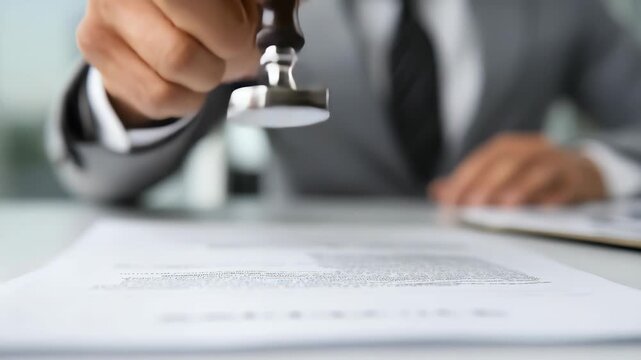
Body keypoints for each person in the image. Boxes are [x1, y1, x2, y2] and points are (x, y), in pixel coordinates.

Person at [47, 0, 641, 206]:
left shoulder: (568, 7)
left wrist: (597, 168)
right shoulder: (245, 8)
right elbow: (102, 177)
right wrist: (133, 89)